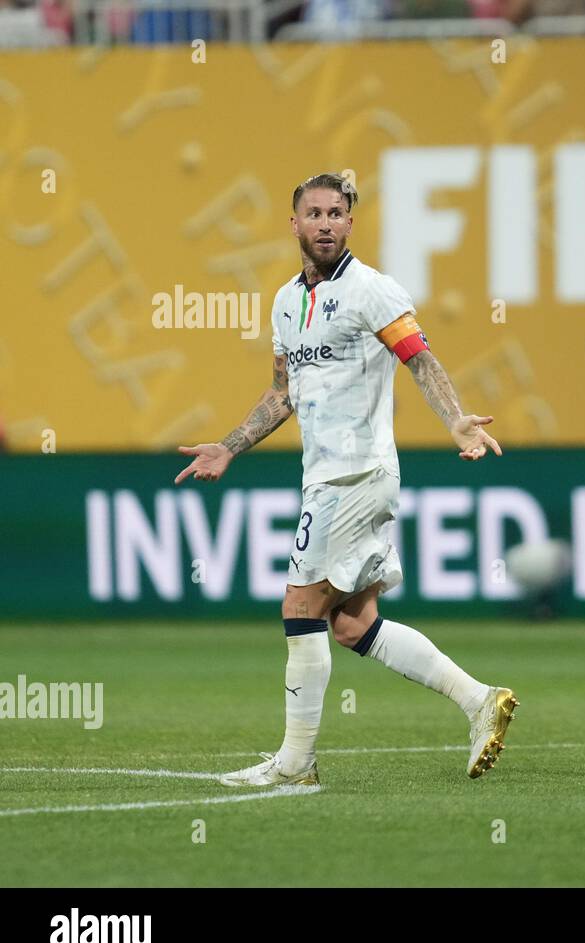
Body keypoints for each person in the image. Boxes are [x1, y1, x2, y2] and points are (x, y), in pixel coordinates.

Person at [174, 172, 517, 787]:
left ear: (350, 223)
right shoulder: (285, 301)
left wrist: (456, 420)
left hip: (356, 475)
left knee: (300, 605)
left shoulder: (372, 291)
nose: (326, 223)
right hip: (325, 477)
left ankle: (294, 763)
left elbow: (420, 359)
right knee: (353, 623)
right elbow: (283, 393)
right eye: (314, 213)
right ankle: (480, 700)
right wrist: (229, 447)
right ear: (295, 223)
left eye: (337, 213)